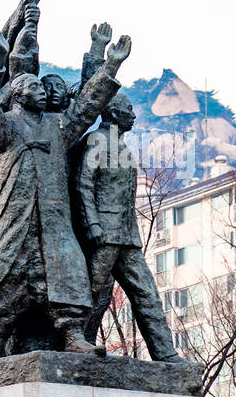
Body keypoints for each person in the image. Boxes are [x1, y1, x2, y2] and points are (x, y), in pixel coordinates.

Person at [0, 18, 132, 360]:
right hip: (16, 219)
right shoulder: (5, 128)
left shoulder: (59, 127)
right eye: (33, 87)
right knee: (5, 276)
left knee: (65, 273)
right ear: (17, 95)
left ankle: (72, 333)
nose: (41, 89)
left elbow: (86, 109)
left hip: (54, 222)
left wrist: (110, 63)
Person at [74, 91, 184, 361]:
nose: (133, 115)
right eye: (128, 109)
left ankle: (165, 353)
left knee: (146, 292)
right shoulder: (96, 141)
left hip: (126, 234)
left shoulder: (121, 146)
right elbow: (83, 184)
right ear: (112, 112)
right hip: (105, 233)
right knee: (92, 292)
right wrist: (92, 223)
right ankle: (75, 342)